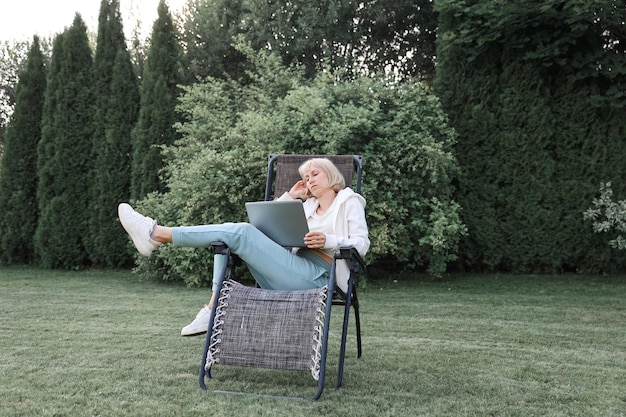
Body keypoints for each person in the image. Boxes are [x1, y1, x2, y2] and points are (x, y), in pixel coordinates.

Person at [118, 158, 369, 336]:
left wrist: (329, 241)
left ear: (332, 175)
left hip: (319, 278)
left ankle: (157, 234)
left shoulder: (348, 201)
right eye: (306, 176)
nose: (309, 179)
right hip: (291, 271)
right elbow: (268, 226)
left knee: (239, 232)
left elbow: (362, 244)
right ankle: (212, 307)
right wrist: (291, 196)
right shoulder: (307, 206)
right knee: (230, 237)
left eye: (315, 174)